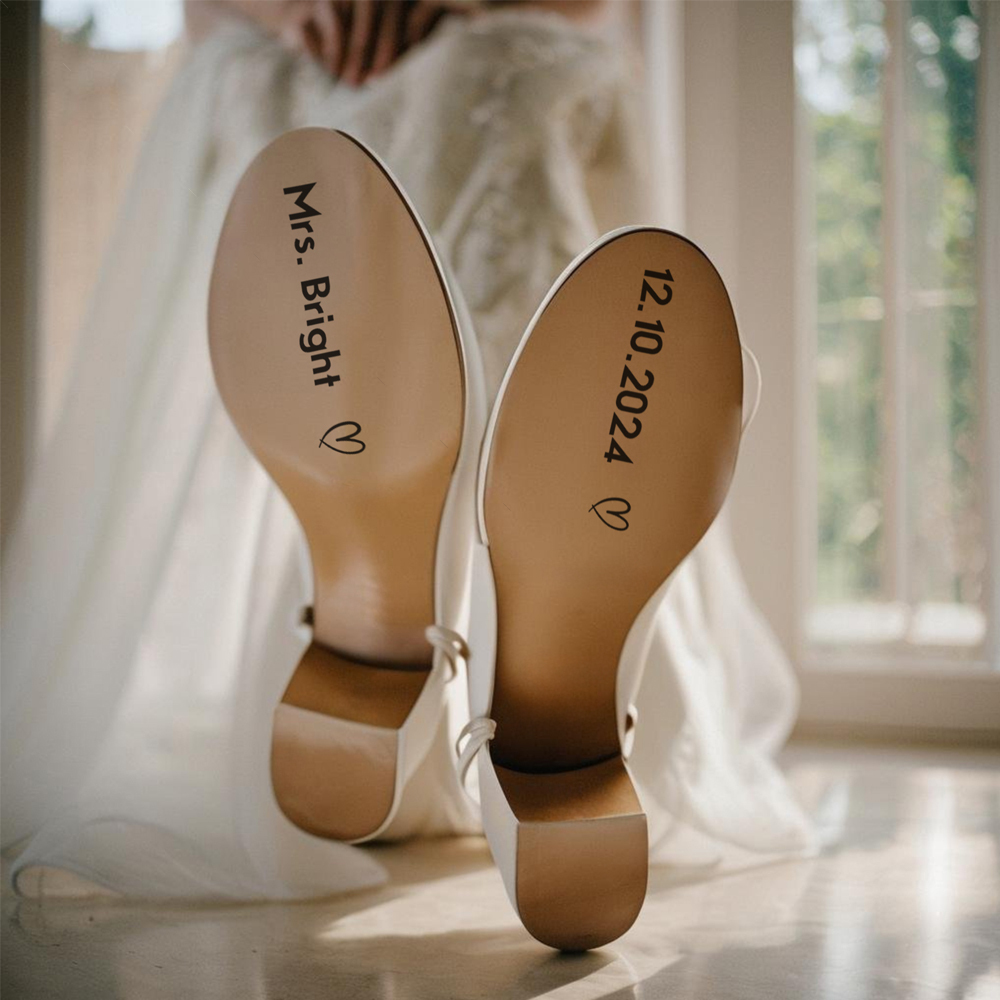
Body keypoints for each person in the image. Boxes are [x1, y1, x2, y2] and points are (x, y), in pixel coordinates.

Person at [1, 0, 811, 900]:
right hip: (293, 35)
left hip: (502, 17)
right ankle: (514, 612)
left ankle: (401, 516)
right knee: (380, 99)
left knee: (488, 78)